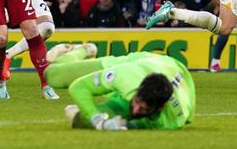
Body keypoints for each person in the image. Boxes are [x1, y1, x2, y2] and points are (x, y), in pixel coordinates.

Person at [44, 45, 195, 130]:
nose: (135, 110)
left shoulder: (174, 119)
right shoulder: (125, 76)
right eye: (136, 102)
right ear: (137, 90)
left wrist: (121, 124)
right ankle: (82, 50)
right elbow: (78, 87)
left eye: (143, 109)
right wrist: (97, 120)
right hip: (144, 63)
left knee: (81, 121)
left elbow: (140, 124)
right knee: (52, 74)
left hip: (178, 75)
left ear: (160, 107)